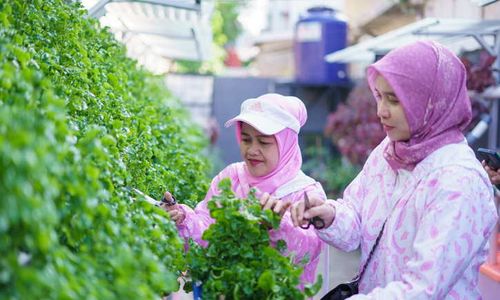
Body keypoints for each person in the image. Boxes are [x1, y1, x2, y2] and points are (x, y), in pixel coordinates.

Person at [289, 40, 498, 298]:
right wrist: (329, 215)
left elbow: (421, 290)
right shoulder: (390, 151)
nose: (381, 112)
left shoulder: (459, 182)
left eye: (394, 101)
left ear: (430, 102)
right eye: (379, 96)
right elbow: (357, 221)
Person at [163, 93, 327, 285]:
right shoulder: (231, 177)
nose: (251, 150)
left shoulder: (306, 194)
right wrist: (183, 218)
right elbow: (207, 229)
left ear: (287, 143)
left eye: (264, 142)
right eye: (246, 139)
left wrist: (280, 225)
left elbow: (309, 251)